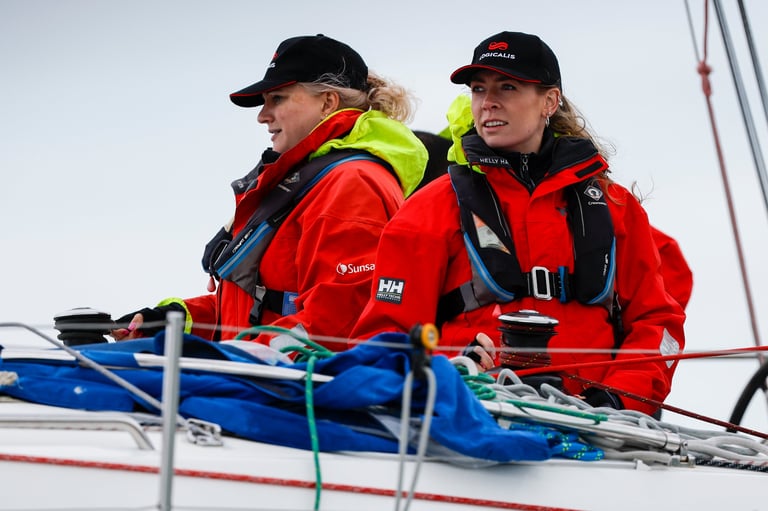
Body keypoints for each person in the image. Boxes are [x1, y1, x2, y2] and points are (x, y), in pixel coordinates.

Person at [350, 31, 686, 415]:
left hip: (598, 425)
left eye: (507, 87)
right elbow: (384, 339)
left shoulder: (614, 207)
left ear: (550, 101)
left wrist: (618, 397)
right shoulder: (429, 209)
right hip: (472, 417)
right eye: (478, 89)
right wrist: (452, 368)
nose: (488, 102)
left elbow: (659, 323)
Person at [112, 34, 427, 349]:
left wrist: (229, 359)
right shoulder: (313, 181)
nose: (262, 115)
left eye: (277, 98)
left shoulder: (351, 184)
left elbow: (335, 324)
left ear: (327, 102)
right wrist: (176, 320)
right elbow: (256, 307)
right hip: (267, 374)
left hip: (294, 380)